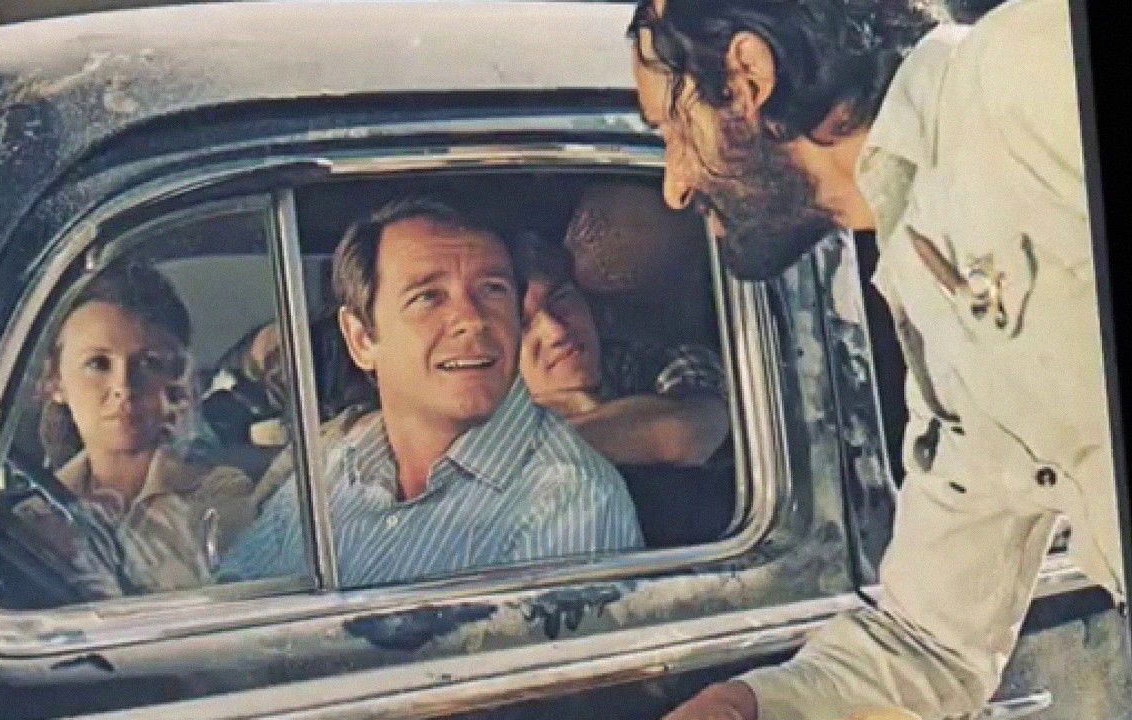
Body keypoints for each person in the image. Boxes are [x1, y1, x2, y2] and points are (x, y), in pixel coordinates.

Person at [626, 0, 1127, 719]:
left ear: (747, 78)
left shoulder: (1023, 71)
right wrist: (748, 706)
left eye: (674, 129)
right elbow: (931, 643)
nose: (674, 184)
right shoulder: (928, 297)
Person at [218, 198, 643, 587]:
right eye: (429, 297)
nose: (472, 320)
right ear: (362, 338)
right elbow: (239, 592)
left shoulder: (566, 500)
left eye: (492, 290)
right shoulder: (336, 462)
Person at [0, 263, 258, 609]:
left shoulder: (218, 496)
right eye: (98, 364)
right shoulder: (28, 520)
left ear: (174, 381)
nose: (123, 386)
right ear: (55, 382)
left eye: (148, 364)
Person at [517, 234, 734, 545]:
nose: (556, 331)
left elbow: (694, 429)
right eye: (523, 323)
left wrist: (531, 449)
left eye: (561, 298)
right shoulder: (478, 410)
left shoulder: (654, 361)